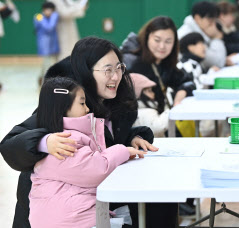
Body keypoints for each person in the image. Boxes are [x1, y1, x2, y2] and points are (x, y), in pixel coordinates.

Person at [0, 37, 177, 228]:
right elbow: (10, 144)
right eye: (107, 70)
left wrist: (132, 138)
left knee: (162, 196)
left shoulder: (116, 102)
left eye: (119, 68)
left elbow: (104, 142)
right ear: (86, 72)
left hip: (94, 201)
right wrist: (44, 141)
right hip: (55, 214)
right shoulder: (67, 105)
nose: (116, 76)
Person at [29, 77, 146, 228]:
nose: (87, 109)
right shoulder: (63, 141)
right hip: (72, 221)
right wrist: (122, 150)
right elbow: (96, 170)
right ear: (63, 107)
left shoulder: (57, 136)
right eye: (82, 103)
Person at [121, 16, 196, 114]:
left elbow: (187, 81)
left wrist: (179, 98)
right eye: (157, 40)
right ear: (147, 37)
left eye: (168, 41)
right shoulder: (131, 62)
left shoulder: (165, 62)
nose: (162, 46)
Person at [177, 1, 226, 70]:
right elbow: (218, 62)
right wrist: (216, 38)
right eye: (210, 20)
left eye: (215, 20)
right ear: (197, 18)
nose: (213, 25)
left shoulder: (196, 31)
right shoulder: (189, 35)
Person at [130, 73, 169, 137]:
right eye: (149, 91)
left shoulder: (137, 111)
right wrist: (169, 113)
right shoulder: (145, 112)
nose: (153, 94)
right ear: (137, 94)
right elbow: (158, 127)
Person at [34, 2, 59, 85]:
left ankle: (41, 79)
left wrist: (53, 16)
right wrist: (53, 16)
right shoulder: (39, 17)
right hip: (44, 45)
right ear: (43, 10)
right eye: (47, 10)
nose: (49, 12)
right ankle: (45, 83)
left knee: (49, 64)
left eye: (51, 10)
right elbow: (48, 27)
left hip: (53, 44)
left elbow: (51, 27)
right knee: (46, 64)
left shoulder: (53, 16)